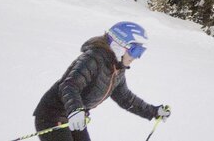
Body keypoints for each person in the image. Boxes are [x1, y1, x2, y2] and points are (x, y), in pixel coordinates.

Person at [32, 21, 172, 140]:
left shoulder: (117, 68)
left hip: (76, 117)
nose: (137, 57)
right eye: (135, 51)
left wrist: (153, 111)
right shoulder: (93, 58)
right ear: (119, 46)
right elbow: (69, 85)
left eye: (141, 52)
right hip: (52, 115)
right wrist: (75, 110)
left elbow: (125, 98)